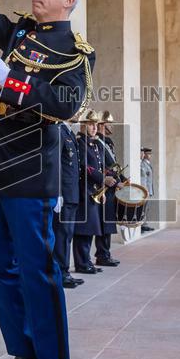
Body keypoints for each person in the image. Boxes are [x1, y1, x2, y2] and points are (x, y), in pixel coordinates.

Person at [0, 0, 94, 359]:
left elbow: (64, 106)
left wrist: (11, 79)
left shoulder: (75, 53)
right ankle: (23, 352)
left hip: (30, 174)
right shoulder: (21, 31)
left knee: (38, 273)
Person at [73, 111, 107, 275]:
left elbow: (99, 166)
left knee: (91, 228)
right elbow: (85, 167)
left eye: (95, 125)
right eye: (91, 124)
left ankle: (86, 261)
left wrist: (102, 189)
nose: (94, 128)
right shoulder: (80, 143)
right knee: (83, 229)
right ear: (83, 125)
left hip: (94, 191)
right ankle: (81, 263)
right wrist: (103, 178)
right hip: (83, 190)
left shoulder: (93, 144)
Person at [55, 121, 85, 288]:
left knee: (67, 234)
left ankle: (64, 271)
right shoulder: (59, 130)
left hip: (72, 192)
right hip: (64, 193)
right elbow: (56, 164)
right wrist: (57, 192)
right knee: (61, 234)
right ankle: (60, 273)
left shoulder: (69, 133)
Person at [95, 111, 123, 266]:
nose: (111, 126)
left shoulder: (108, 141)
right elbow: (101, 166)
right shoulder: (97, 141)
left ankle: (106, 253)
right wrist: (112, 180)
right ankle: (102, 254)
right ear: (102, 125)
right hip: (104, 187)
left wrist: (122, 180)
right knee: (104, 222)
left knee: (109, 222)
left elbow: (114, 164)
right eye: (109, 123)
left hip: (112, 186)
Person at [140, 146, 155, 232]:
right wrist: (144, 190)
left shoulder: (147, 164)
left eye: (150, 154)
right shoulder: (142, 164)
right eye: (147, 154)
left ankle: (144, 224)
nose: (149, 155)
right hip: (144, 189)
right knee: (142, 208)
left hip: (148, 189)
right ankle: (142, 225)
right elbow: (143, 179)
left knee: (146, 208)